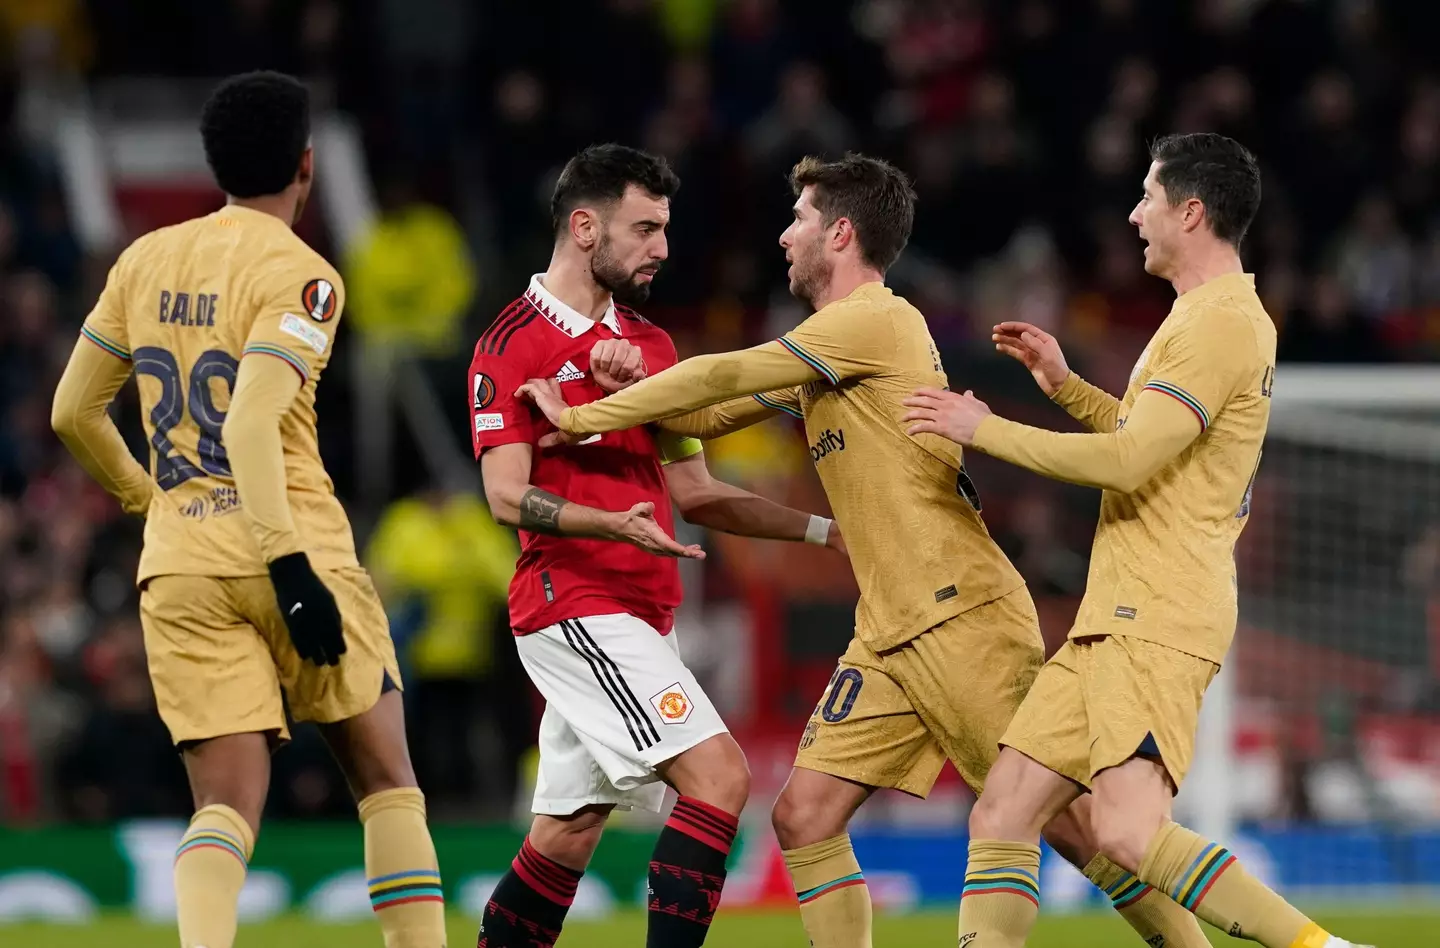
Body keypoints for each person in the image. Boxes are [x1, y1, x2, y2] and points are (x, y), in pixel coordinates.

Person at [520, 153, 1212, 948]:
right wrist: (627, 388)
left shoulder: (875, 320)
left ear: (840, 234)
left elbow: (731, 369)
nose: (784, 237)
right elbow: (706, 417)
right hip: (888, 632)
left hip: (963, 618)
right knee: (804, 816)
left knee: (1075, 827)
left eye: (800, 220)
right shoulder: (828, 350)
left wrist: (581, 419)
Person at [900, 133, 1371, 948]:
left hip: (1158, 611)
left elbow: (1127, 461)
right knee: (1006, 808)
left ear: (1191, 212)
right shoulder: (1200, 318)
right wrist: (1067, 388)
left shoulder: (1220, 324)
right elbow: (1147, 437)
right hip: (1111, 614)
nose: (1133, 215)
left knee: (1124, 832)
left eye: (1148, 198)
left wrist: (986, 426)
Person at [50, 72, 445, 948]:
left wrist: (147, 500)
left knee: (223, 808)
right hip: (293, 548)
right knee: (386, 778)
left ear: (214, 164)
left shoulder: (144, 259)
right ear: (307, 166)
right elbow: (255, 417)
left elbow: (72, 412)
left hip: (183, 564)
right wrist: (290, 565)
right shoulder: (305, 277)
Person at [469, 143, 845, 948]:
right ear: (583, 227)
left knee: (566, 834)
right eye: (643, 228)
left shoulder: (652, 349)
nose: (662, 249)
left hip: (643, 610)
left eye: (664, 229)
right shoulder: (510, 345)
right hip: (573, 603)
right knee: (720, 780)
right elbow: (505, 496)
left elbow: (698, 493)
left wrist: (825, 531)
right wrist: (609, 524)